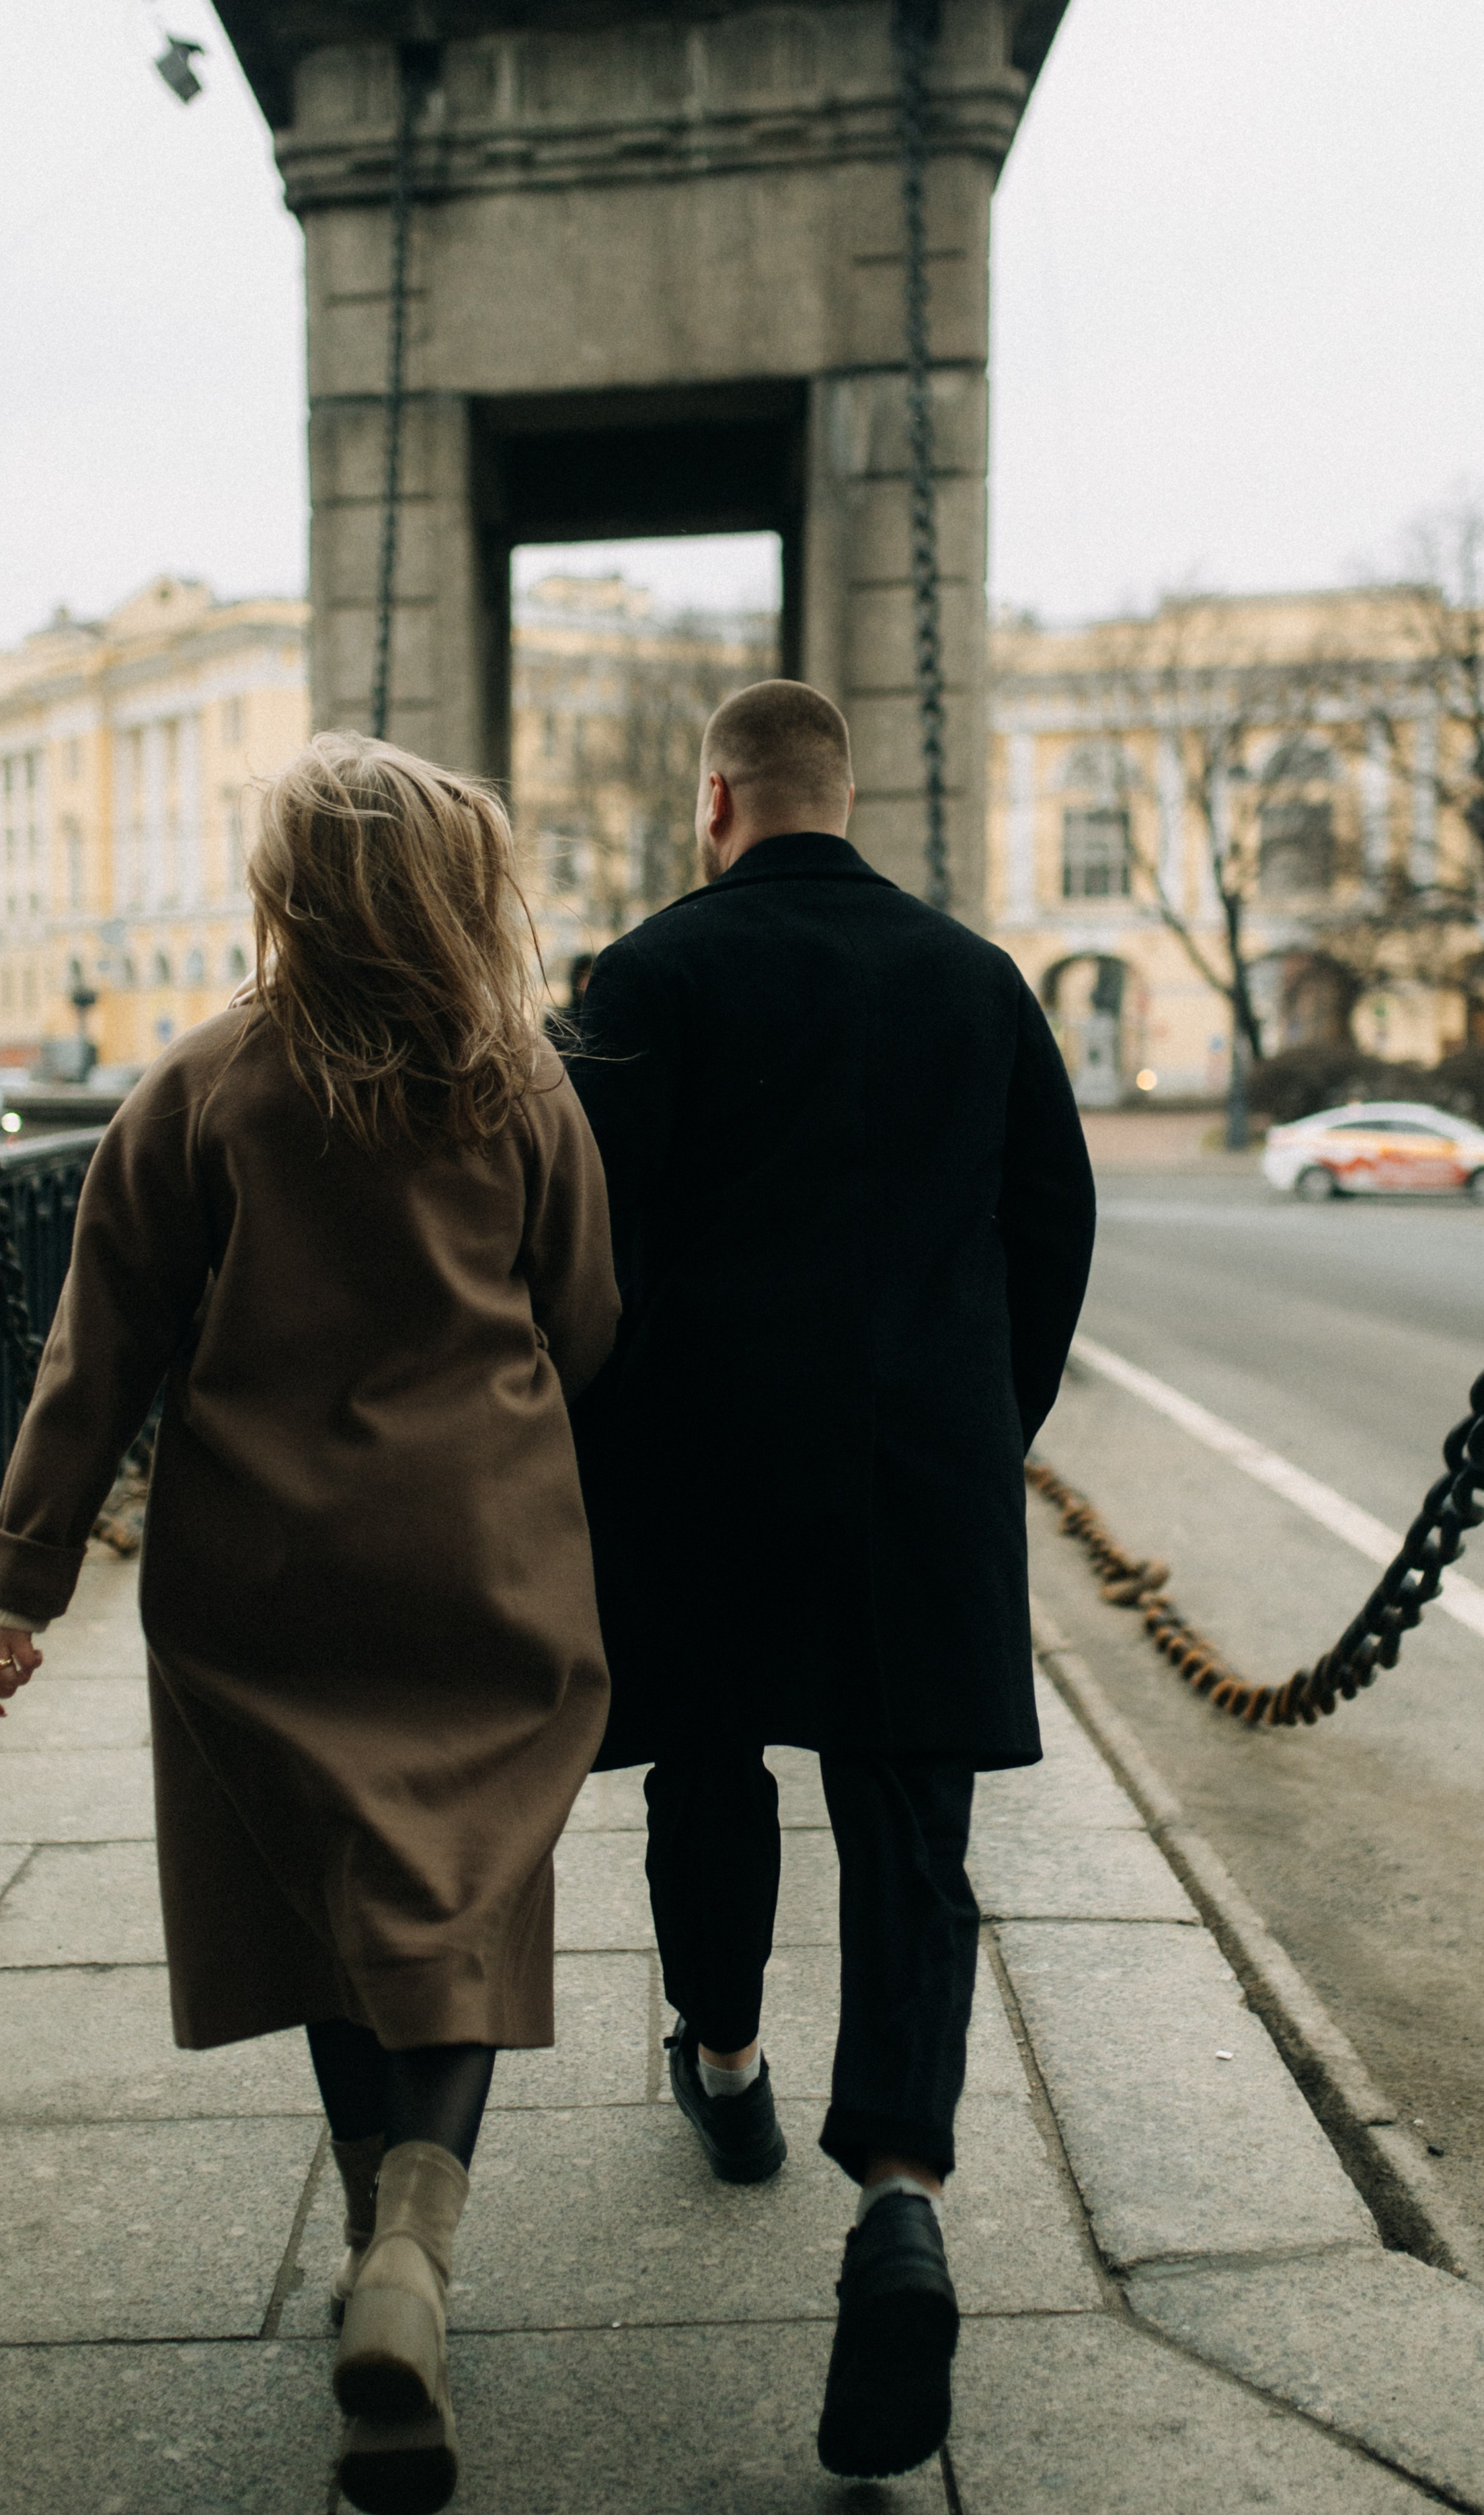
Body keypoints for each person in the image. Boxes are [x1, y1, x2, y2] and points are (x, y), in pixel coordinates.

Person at [0, 735, 618, 2515]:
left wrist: (19, 1583)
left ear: (283, 894)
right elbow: (587, 1312)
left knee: (333, 1892)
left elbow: (96, 1359)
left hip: (261, 1575)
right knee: (458, 1893)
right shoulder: (518, 1086)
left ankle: (373, 2242)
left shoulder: (198, 1086)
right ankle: (415, 2239)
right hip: (484, 1558)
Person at [568, 679, 1094, 2481]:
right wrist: (978, 1414)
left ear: (715, 799)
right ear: (842, 796)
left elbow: (588, 1253)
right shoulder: (976, 977)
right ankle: (901, 2195)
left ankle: (722, 2062)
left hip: (705, 1465)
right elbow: (1053, 1225)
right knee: (906, 1823)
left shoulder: (641, 981)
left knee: (710, 1772)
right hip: (914, 1469)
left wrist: (608, 1441)